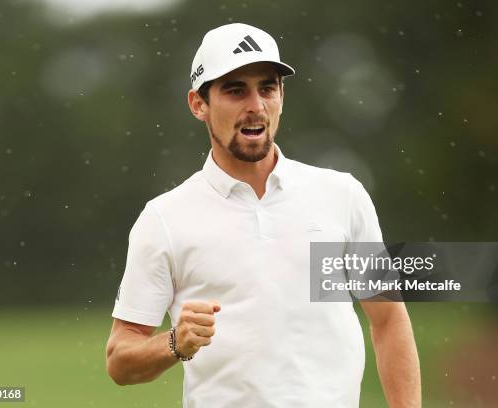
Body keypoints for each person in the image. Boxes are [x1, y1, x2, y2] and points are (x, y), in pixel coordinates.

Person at [106, 23, 421, 407]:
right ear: (198, 104)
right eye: (235, 90)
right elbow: (120, 360)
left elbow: (388, 321)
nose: (255, 105)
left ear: (281, 96)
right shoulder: (165, 219)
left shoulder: (341, 196)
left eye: (267, 88)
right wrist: (175, 343)